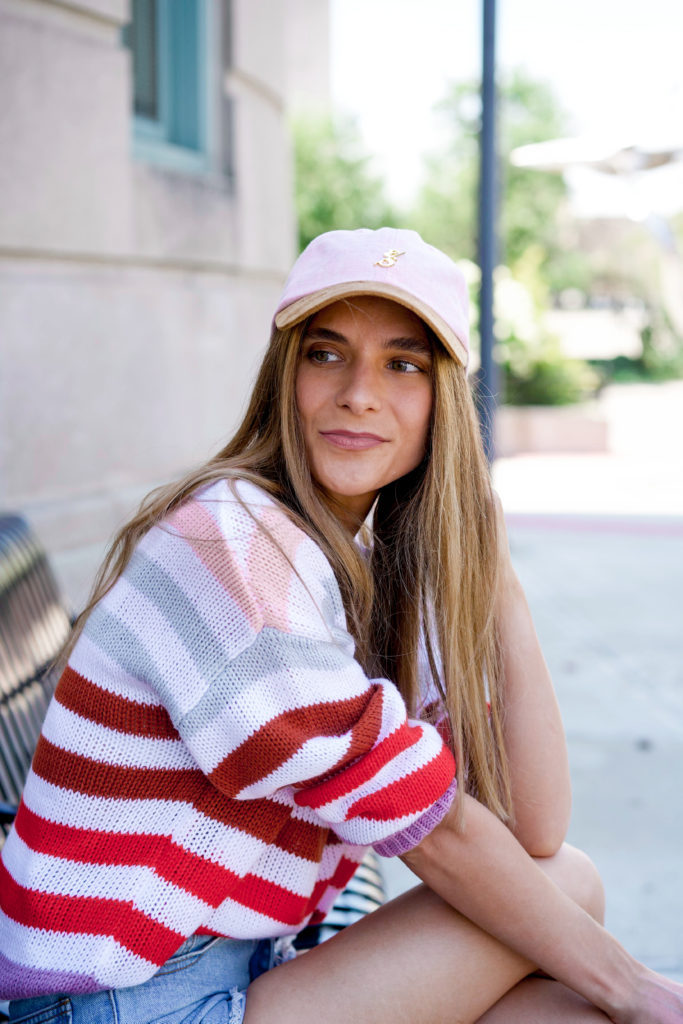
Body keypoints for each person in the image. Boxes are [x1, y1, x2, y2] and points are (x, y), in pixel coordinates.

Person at [1, 228, 681, 1024]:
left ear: (444, 404)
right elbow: (442, 837)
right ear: (284, 377)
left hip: (230, 971)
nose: (359, 392)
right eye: (327, 353)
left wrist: (493, 572)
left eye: (403, 364)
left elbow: (533, 825)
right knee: (578, 936)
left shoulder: (357, 558)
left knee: (564, 928)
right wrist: (637, 991)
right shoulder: (232, 542)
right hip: (122, 1000)